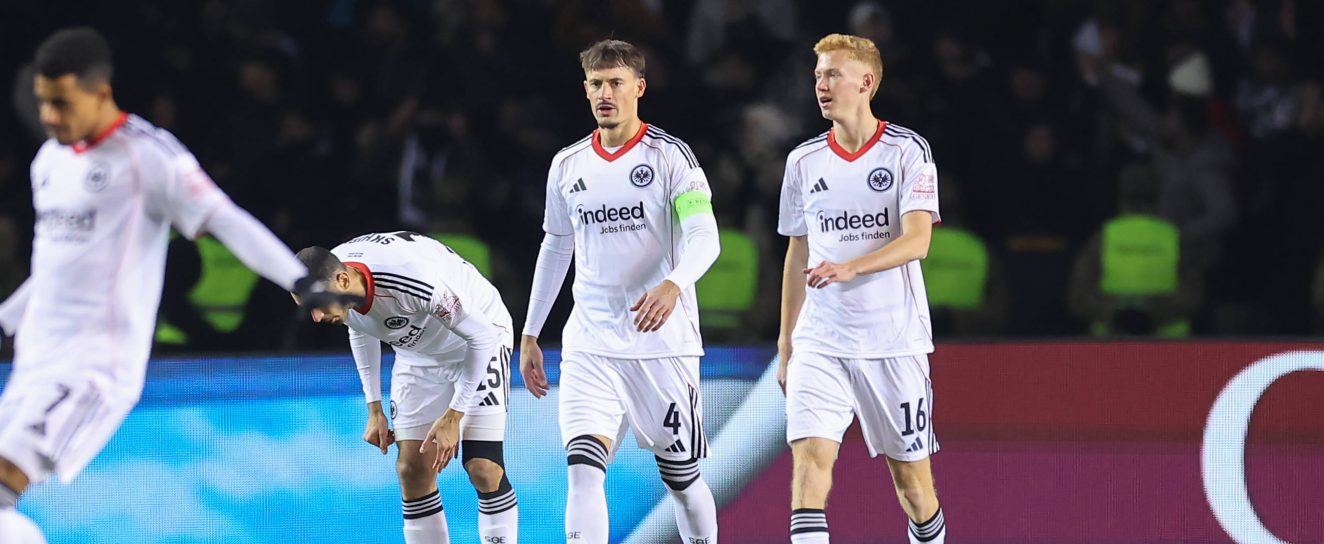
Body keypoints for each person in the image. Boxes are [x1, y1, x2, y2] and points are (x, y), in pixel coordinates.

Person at [0, 27, 340, 542]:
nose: (48, 116)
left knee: (4, 483)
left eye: (61, 103)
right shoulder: (49, 161)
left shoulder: (149, 158)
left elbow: (226, 220)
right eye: (43, 102)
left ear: (100, 93)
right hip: (34, 360)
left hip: (93, 365)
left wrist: (299, 279)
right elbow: (55, 267)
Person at [519, 39, 722, 544]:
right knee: (583, 469)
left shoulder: (671, 157)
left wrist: (674, 284)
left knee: (681, 478)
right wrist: (530, 331)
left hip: (661, 344)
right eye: (596, 84)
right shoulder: (567, 165)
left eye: (615, 83)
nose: (605, 93)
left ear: (639, 87)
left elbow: (706, 237)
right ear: (585, 90)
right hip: (591, 342)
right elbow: (556, 246)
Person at [777, 34, 946, 544]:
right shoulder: (803, 161)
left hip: (892, 341)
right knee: (810, 461)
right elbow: (798, 252)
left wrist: (852, 267)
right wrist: (786, 344)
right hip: (820, 340)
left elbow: (917, 241)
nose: (821, 85)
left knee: (913, 488)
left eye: (833, 74)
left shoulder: (907, 150)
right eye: (818, 76)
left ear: (866, 82)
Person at [292, 232, 518, 544]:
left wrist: (454, 415)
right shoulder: (336, 279)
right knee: (412, 469)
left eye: (317, 306)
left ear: (343, 280)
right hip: (417, 354)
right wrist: (374, 408)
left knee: (483, 467)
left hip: (477, 340)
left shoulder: (411, 279)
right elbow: (360, 327)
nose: (316, 317)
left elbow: (482, 336)